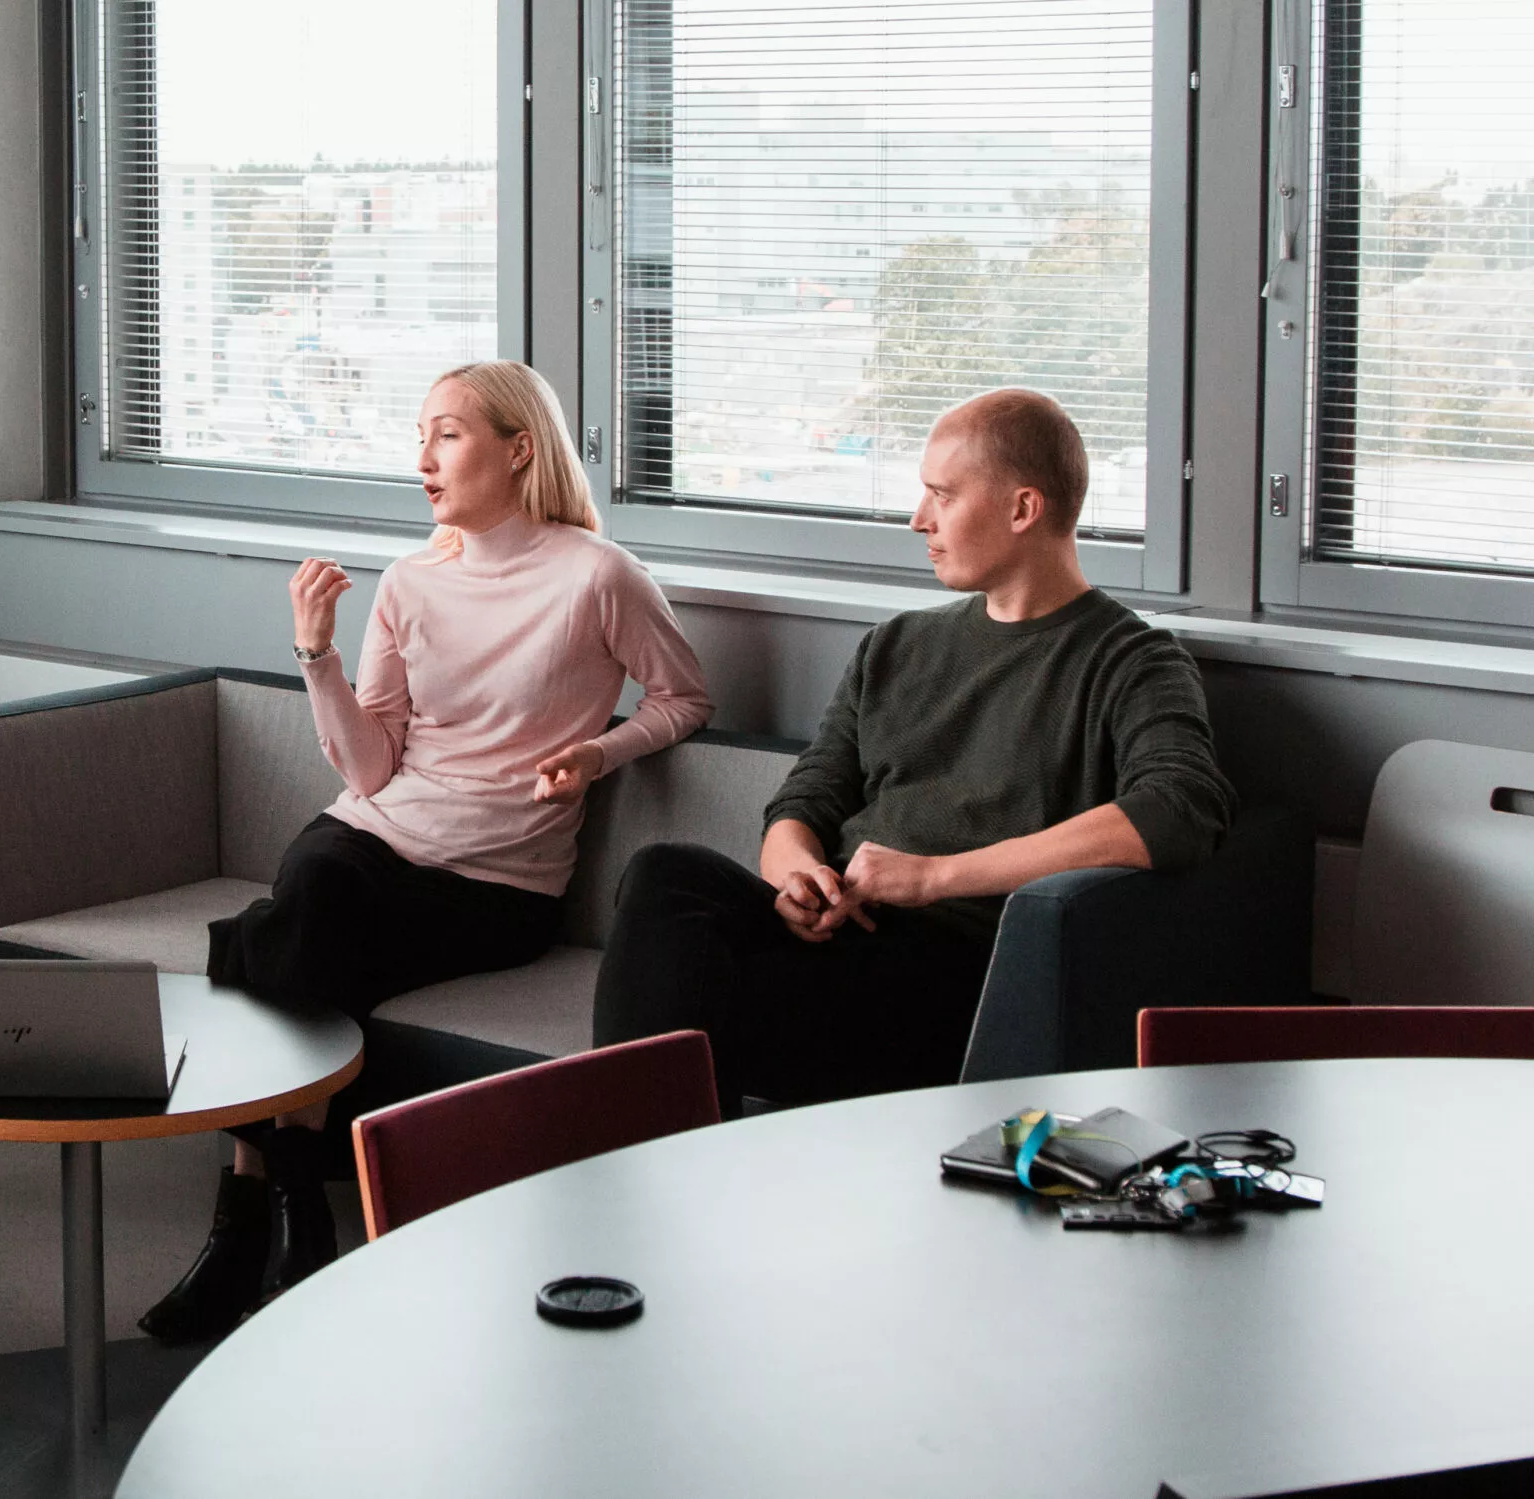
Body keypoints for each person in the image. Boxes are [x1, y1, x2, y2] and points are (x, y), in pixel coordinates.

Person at [141, 361, 715, 1343]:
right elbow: (366, 771)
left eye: (446, 433)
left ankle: (247, 1223)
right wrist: (315, 651)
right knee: (312, 892)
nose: (422, 458)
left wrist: (598, 751)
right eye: (419, 434)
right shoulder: (411, 582)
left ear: (518, 447)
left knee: (262, 941)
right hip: (376, 836)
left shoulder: (597, 576)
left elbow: (685, 697)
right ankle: (290, 1213)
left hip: (496, 882)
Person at [591, 389, 1235, 1115]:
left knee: (685, 1024)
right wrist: (798, 876)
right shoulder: (896, 646)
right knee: (666, 876)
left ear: (1023, 510)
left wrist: (932, 878)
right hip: (835, 936)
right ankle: (640, 1159)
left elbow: (1179, 808)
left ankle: (630, 1165)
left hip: (951, 967)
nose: (918, 519)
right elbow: (804, 801)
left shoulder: (1132, 660)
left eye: (942, 495)